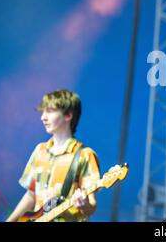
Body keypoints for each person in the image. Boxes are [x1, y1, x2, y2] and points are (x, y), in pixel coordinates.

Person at [6, 89, 100, 222]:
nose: (43, 117)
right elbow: (31, 195)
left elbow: (91, 207)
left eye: (49, 111)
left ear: (68, 115)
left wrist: (84, 204)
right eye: (43, 112)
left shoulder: (85, 155)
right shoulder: (40, 150)